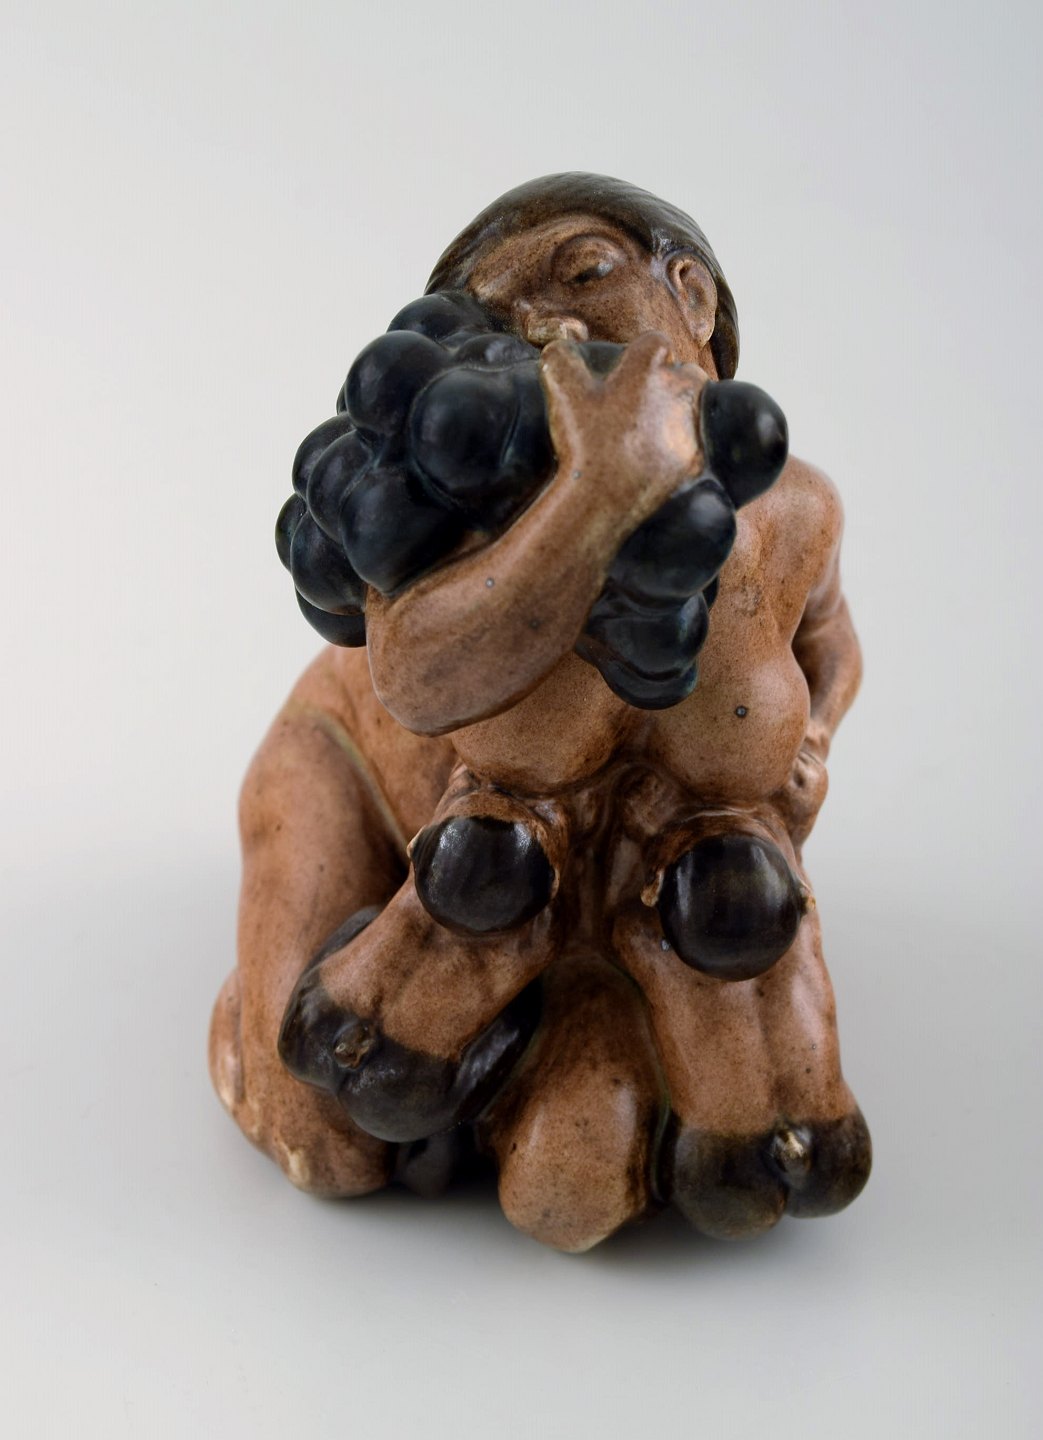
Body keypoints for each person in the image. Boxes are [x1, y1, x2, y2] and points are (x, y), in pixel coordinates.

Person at [209, 174, 870, 1251]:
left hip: (694, 861)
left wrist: (816, 733)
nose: (551, 323)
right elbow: (413, 680)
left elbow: (828, 643)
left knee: (621, 1130)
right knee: (323, 1135)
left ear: (692, 297)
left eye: (585, 273)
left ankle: (617, 1061)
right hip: (449, 835)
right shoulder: (485, 546)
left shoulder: (795, 509)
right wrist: (592, 497)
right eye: (504, 318)